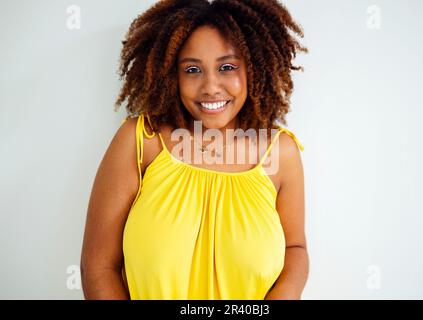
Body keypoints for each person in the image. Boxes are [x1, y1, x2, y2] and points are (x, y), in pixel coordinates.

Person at [81, 0, 309, 300]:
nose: (210, 87)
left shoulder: (280, 151)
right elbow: (98, 266)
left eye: (227, 67)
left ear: (255, 68)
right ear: (171, 75)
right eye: (192, 70)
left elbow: (296, 249)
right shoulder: (140, 141)